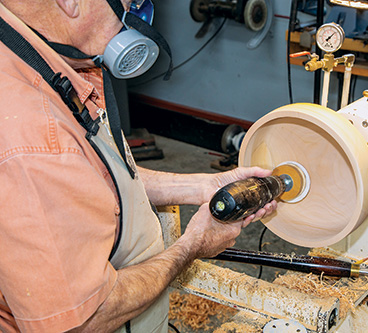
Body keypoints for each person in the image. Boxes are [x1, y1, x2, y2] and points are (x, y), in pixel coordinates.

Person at [0, 0, 277, 332]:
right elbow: (85, 319)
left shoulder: (40, 53)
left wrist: (201, 186)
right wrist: (191, 246)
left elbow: (94, 177)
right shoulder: (33, 138)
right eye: (131, 2)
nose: (139, 14)